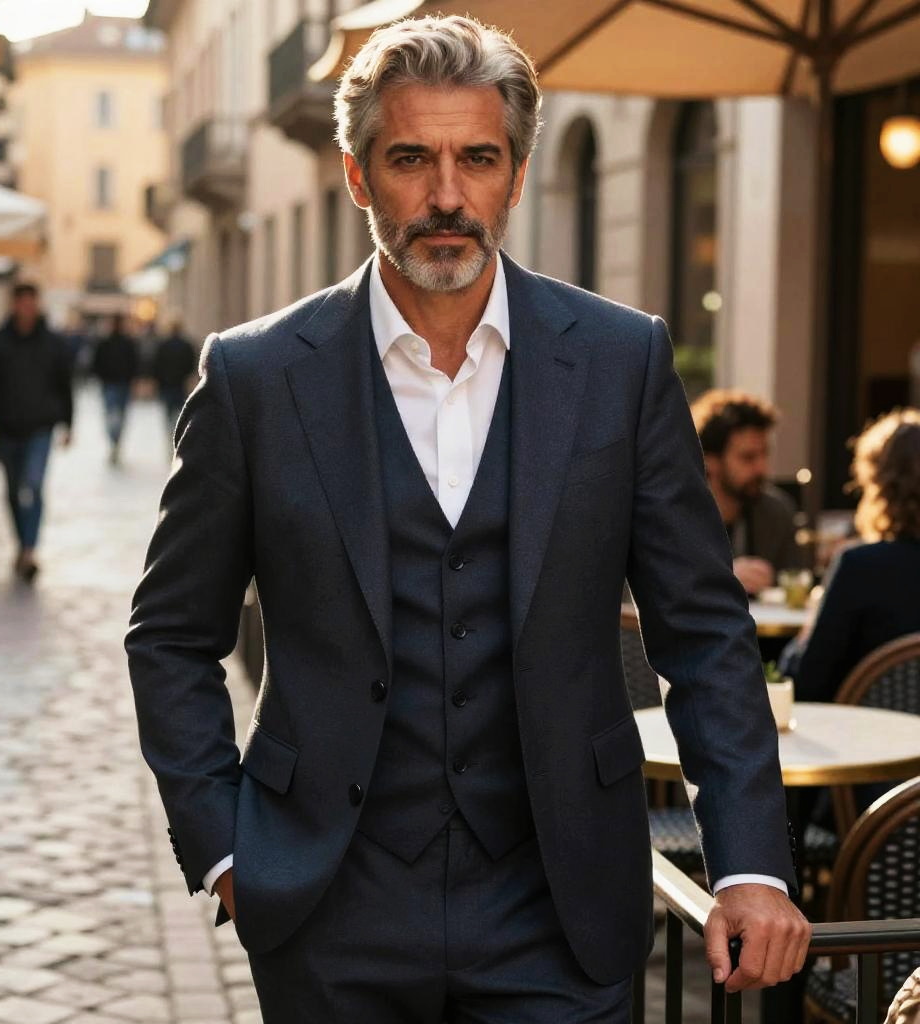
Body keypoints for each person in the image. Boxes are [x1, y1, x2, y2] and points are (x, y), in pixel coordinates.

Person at [126, 16, 809, 1022]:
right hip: (326, 904)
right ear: (359, 176)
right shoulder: (255, 378)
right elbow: (172, 634)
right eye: (411, 158)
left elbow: (704, 631)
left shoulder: (621, 364)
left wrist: (752, 860)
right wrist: (227, 848)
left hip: (557, 904)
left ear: (517, 173)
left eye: (476, 158)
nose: (446, 195)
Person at [782, 409, 920, 703]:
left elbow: (806, 684)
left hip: (873, 743)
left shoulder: (860, 566)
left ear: (878, 486)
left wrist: (806, 631)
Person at [0, 282, 73, 581]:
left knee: (34, 485)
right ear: (14, 305)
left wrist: (69, 423)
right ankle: (21, 543)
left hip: (41, 427)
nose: (28, 308)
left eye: (32, 302)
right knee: (13, 491)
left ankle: (29, 550)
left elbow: (64, 386)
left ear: (37, 304)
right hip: (6, 427)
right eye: (22, 302)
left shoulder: (52, 343)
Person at [690, 388, 809, 596]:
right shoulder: (678, 514)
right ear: (710, 461)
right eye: (748, 457)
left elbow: (793, 581)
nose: (762, 468)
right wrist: (722, 577)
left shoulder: (777, 511)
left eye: (765, 454)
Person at [92, 313, 139, 465]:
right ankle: (114, 441)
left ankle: (115, 441)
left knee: (116, 415)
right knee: (114, 415)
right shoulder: (106, 342)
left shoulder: (125, 342)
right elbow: (97, 362)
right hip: (112, 383)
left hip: (119, 384)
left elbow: (134, 363)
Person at [152, 319, 196, 436]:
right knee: (179, 410)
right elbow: (191, 363)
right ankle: (177, 432)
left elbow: (157, 365)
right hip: (180, 383)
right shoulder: (186, 345)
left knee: (168, 411)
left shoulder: (163, 345)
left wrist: (158, 380)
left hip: (167, 384)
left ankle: (170, 433)